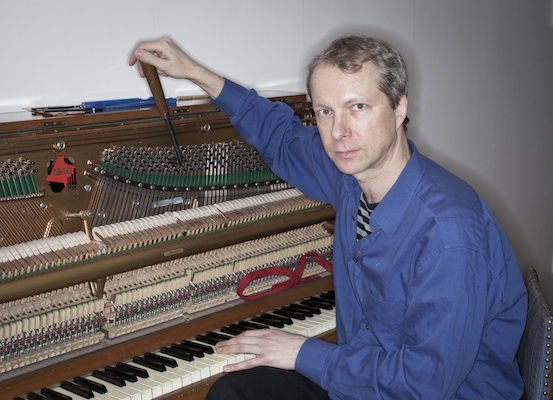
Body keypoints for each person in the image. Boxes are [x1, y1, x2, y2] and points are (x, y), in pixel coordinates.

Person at [129, 35, 528, 399]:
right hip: (369, 380)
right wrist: (195, 72)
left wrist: (304, 352)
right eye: (324, 112)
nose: (339, 132)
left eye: (358, 107)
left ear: (399, 106)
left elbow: (423, 384)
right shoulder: (350, 177)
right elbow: (280, 137)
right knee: (236, 392)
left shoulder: (447, 232)